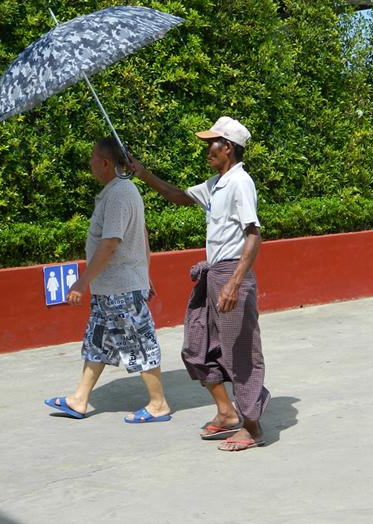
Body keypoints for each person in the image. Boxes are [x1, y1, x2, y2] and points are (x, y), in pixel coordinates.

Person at [129, 116, 270, 452]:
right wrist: (142, 172)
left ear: (230, 148)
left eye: (214, 143)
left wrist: (234, 283)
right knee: (196, 347)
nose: (208, 148)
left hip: (231, 273)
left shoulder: (240, 183)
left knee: (241, 354)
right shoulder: (216, 183)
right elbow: (177, 196)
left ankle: (252, 427)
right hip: (213, 274)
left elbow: (254, 234)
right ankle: (226, 413)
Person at [44, 137, 171, 424]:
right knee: (97, 343)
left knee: (139, 343)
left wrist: (82, 281)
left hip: (121, 289)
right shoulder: (119, 192)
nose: (89, 162)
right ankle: (79, 399)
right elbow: (143, 235)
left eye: (93, 156)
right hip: (112, 288)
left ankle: (158, 404)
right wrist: (145, 273)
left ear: (105, 163)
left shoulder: (119, 194)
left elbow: (111, 242)